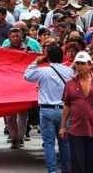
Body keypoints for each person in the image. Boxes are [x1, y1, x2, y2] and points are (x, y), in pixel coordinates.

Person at [60, 51, 93, 173]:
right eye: (77, 63)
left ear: (89, 64)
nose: (79, 66)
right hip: (75, 129)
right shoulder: (69, 84)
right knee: (77, 164)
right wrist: (63, 126)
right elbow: (66, 106)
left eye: (82, 63)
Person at [24, 45, 74, 173]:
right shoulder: (69, 71)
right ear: (62, 56)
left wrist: (36, 62)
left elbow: (27, 75)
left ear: (48, 57)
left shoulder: (43, 71)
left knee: (49, 143)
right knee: (65, 143)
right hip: (64, 110)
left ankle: (52, 170)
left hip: (46, 110)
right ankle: (66, 169)